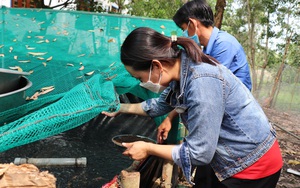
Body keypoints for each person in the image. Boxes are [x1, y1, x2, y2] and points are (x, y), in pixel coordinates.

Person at [102, 27, 282, 188]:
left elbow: (199, 153)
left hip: (252, 164)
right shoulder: (181, 73)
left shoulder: (201, 83)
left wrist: (148, 148)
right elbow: (157, 105)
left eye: (140, 78)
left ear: (157, 66)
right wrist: (121, 108)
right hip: (221, 156)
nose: (141, 83)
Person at [158, 1, 253, 186]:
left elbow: (209, 90)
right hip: (220, 112)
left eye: (184, 28)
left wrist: (170, 116)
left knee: (208, 162)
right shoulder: (207, 48)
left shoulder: (223, 45)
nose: (184, 34)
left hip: (233, 116)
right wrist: (170, 116)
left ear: (193, 24)